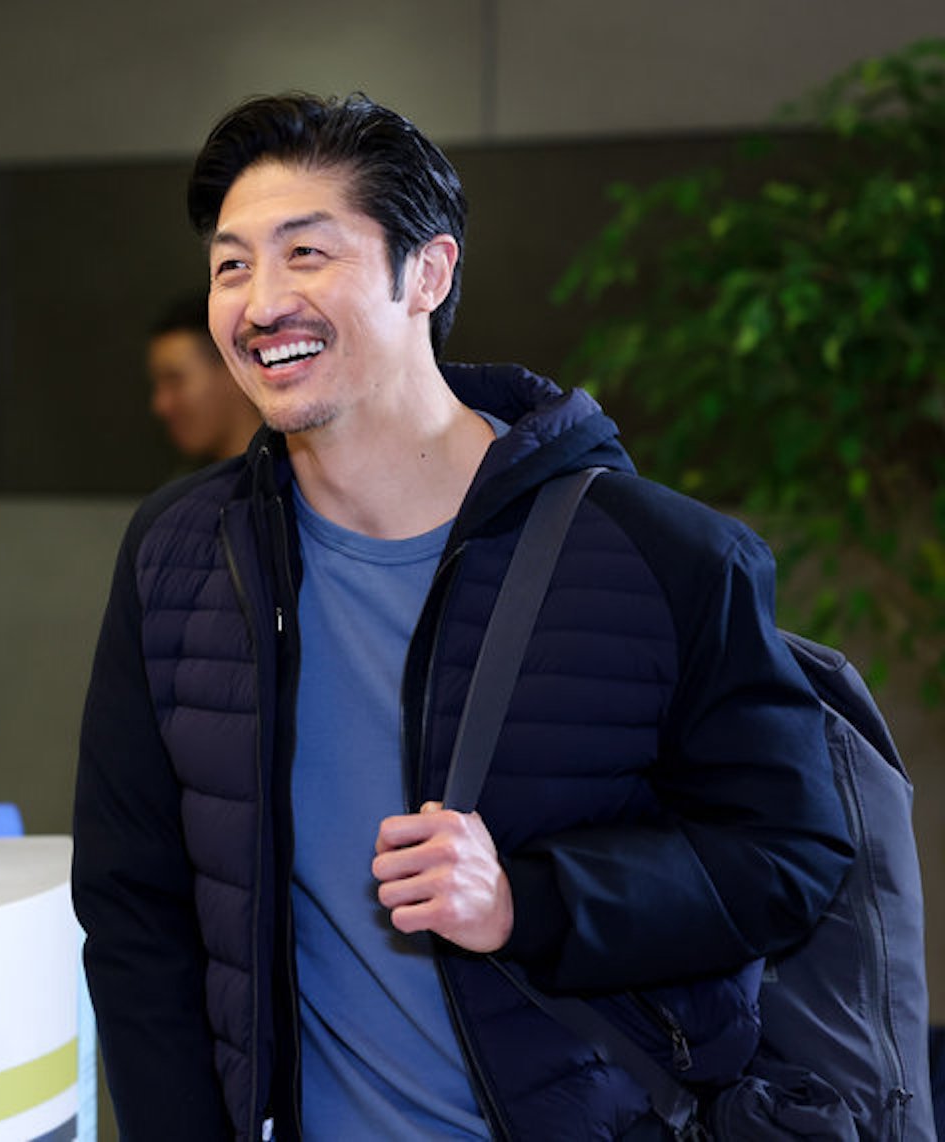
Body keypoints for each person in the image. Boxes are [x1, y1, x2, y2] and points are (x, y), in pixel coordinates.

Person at [71, 91, 854, 1140]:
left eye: (306, 254)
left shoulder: (658, 555)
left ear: (426, 273)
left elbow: (787, 856)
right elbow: (135, 910)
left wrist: (525, 899)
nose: (259, 303)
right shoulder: (179, 554)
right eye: (230, 264)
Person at [147, 290, 264, 466]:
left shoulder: (303, 485)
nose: (161, 405)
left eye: (175, 381)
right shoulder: (188, 490)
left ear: (234, 367)